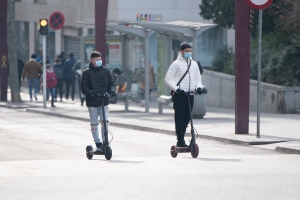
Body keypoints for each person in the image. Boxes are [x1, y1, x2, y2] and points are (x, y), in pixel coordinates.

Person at [164, 43, 203, 147]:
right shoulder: (175, 64)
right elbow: (167, 79)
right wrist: (177, 89)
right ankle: (180, 141)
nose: (188, 53)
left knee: (187, 117)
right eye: (186, 51)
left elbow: (198, 78)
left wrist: (199, 87)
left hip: (190, 94)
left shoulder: (194, 64)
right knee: (179, 118)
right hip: (180, 95)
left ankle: (182, 137)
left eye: (190, 51)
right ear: (181, 51)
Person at [81, 51, 115, 151]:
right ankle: (98, 143)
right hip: (92, 103)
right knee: (94, 123)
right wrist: (93, 93)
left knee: (105, 122)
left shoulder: (106, 71)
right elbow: (84, 88)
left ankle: (105, 141)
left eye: (100, 59)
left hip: (104, 101)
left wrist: (112, 91)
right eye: (97, 60)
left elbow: (111, 83)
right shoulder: (87, 73)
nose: (99, 61)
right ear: (91, 61)